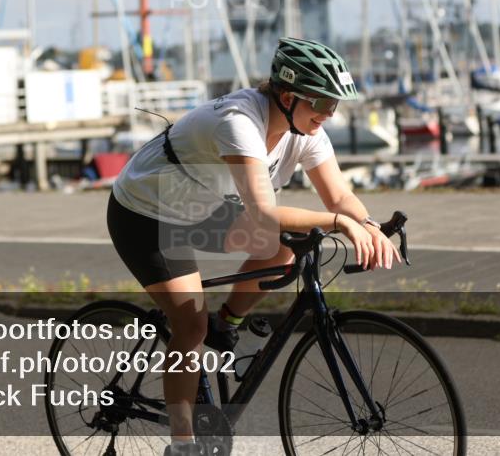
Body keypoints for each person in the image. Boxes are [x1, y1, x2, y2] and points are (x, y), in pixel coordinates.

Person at [107, 37, 402, 455]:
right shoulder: (239, 122)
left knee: (285, 249)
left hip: (204, 206)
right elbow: (266, 213)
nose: (327, 114)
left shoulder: (305, 130)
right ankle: (182, 443)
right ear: (287, 96)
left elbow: (339, 197)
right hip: (146, 215)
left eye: (333, 106)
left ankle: (226, 324)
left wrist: (367, 225)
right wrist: (339, 224)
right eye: (320, 103)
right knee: (190, 325)